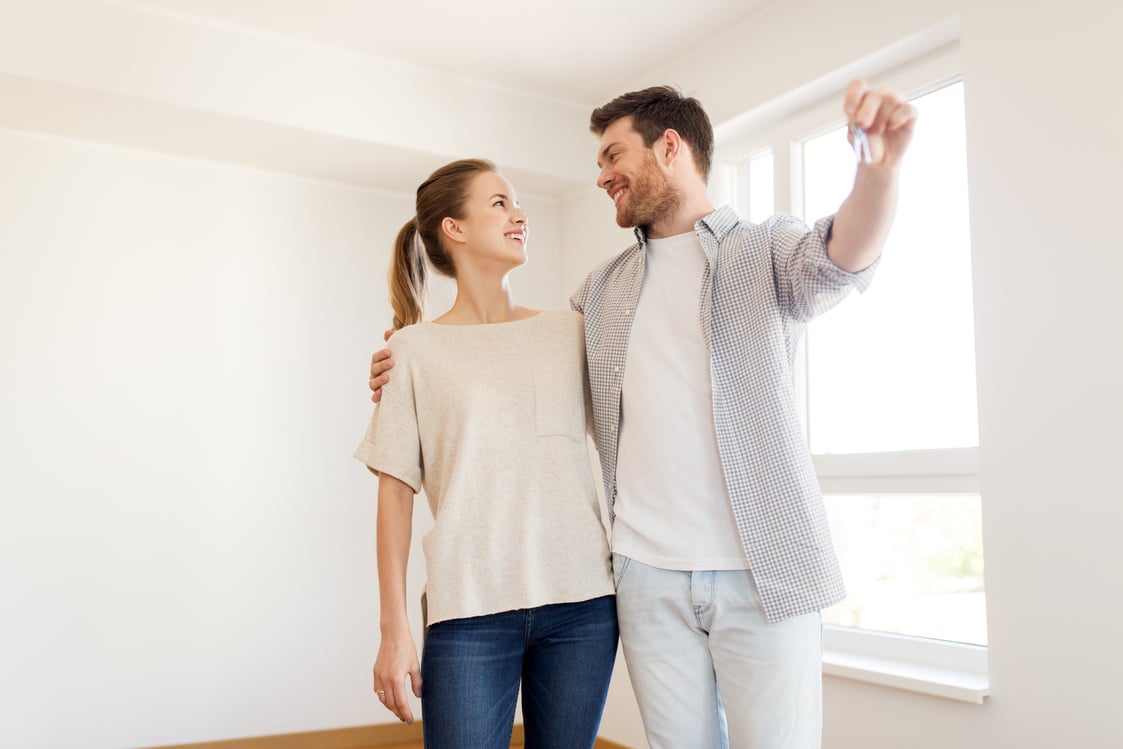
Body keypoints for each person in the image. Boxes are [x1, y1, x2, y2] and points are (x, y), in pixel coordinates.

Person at [369, 81, 917, 748]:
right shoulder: (601, 292)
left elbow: (841, 256)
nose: (600, 177)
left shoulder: (763, 249)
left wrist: (879, 170)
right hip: (643, 579)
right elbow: (497, 376)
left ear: (668, 146)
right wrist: (404, 362)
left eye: (611, 156)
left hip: (758, 571)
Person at [354, 158, 617, 749]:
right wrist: (394, 628)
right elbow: (394, 492)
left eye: (517, 203)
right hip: (468, 613)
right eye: (499, 203)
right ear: (455, 228)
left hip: (583, 606)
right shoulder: (412, 352)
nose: (519, 214)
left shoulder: (570, 331)